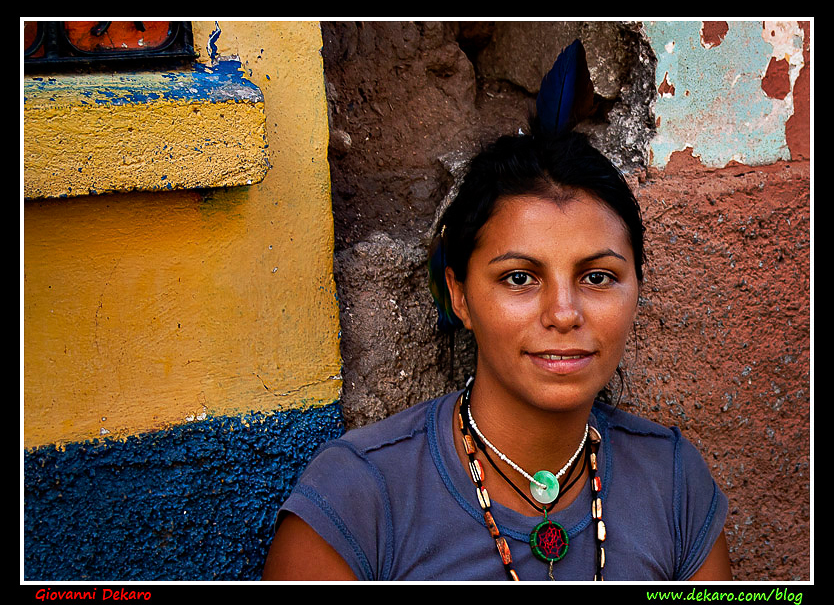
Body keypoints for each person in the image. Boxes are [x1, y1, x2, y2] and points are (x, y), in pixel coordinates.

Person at [262, 43, 731, 582]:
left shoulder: (673, 483)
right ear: (458, 294)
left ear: (637, 288)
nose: (563, 313)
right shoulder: (359, 502)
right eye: (519, 278)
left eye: (597, 277)